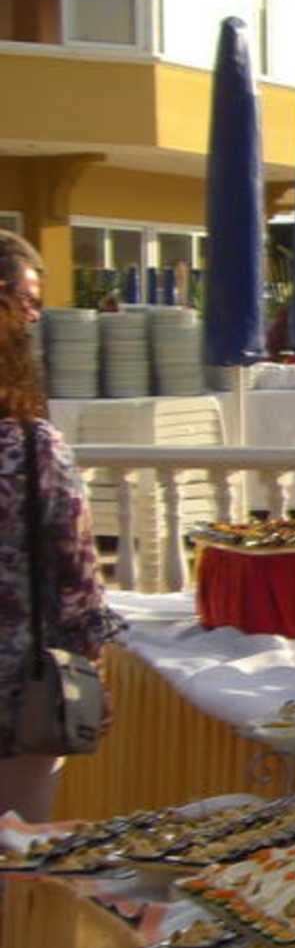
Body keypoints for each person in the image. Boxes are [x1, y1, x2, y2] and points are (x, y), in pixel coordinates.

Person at [0, 231, 122, 822]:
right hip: (17, 699)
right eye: (28, 303)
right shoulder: (31, 448)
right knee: (16, 852)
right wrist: (90, 672)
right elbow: (77, 583)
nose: (36, 317)